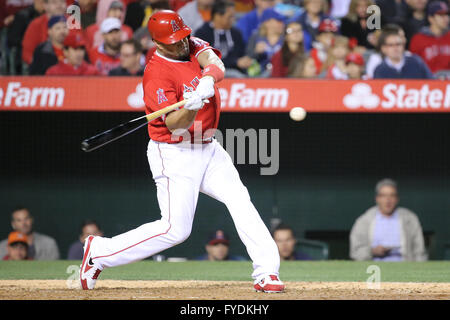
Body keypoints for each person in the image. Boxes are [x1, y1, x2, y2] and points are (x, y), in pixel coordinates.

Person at [79, 10, 284, 293]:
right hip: (174, 152)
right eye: (174, 40)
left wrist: (208, 80)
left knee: (239, 198)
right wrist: (191, 105)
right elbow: (174, 126)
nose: (182, 44)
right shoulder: (155, 74)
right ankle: (100, 252)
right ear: (158, 42)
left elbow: (215, 63)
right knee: (176, 230)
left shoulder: (191, 43)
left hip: (208, 147)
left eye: (183, 37)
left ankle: (266, 272)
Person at [350, 178, 427, 261]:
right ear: (377, 198)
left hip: (404, 268)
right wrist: (372, 251)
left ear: (397, 199)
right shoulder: (364, 221)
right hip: (373, 269)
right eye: (383, 196)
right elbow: (355, 252)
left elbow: (420, 252)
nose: (388, 200)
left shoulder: (410, 219)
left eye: (392, 195)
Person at [195, 0, 254, 78]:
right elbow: (204, 60)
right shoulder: (202, 34)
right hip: (209, 72)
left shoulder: (236, 33)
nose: (233, 20)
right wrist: (235, 62)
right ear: (217, 16)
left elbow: (241, 54)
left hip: (235, 72)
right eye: (230, 17)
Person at [409, 1, 450, 74]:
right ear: (431, 18)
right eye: (441, 15)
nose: (446, 18)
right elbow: (414, 65)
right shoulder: (418, 39)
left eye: (447, 14)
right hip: (427, 81)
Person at [21, 0, 66, 65]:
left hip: (72, 68)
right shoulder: (35, 25)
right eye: (54, 2)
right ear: (45, 6)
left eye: (62, 1)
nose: (59, 5)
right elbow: (27, 54)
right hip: (44, 69)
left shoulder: (73, 23)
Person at [6, 0, 45, 74]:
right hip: (24, 51)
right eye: (42, 2)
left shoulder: (49, 17)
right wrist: (28, 43)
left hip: (43, 51)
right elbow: (12, 39)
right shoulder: (23, 15)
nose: (44, 5)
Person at [246, 8, 286, 77]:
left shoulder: (285, 38)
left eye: (282, 21)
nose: (282, 24)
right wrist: (256, 52)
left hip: (280, 74)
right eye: (278, 21)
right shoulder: (256, 37)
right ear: (267, 22)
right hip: (260, 74)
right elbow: (247, 59)